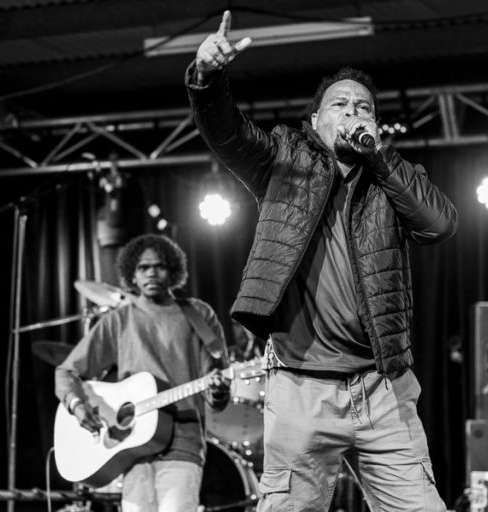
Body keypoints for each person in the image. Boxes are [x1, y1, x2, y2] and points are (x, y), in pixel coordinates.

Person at [186, 11, 458, 512]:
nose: (353, 112)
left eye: (363, 107)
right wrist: (208, 78)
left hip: (382, 388)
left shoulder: (392, 177)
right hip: (301, 386)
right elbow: (226, 132)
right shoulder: (283, 160)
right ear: (315, 121)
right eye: (340, 104)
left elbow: (439, 224)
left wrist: (380, 156)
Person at [55, 234, 231, 512]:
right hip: (132, 446)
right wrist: (78, 405)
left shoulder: (198, 314)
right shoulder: (119, 320)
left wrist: (219, 390)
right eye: (143, 267)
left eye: (159, 266)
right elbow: (67, 372)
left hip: (183, 440)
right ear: (132, 275)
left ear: (173, 272)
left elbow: (216, 393)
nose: (151, 273)